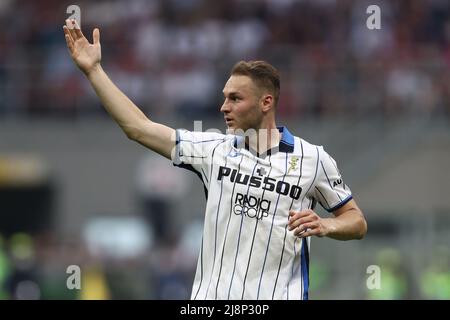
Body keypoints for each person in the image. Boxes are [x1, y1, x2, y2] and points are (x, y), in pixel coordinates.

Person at [63, 19, 367, 300]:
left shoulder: (313, 159)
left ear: (266, 102)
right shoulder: (213, 149)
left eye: (235, 98)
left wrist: (326, 225)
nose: (224, 106)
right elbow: (138, 129)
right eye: (225, 97)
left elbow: (356, 222)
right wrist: (94, 71)